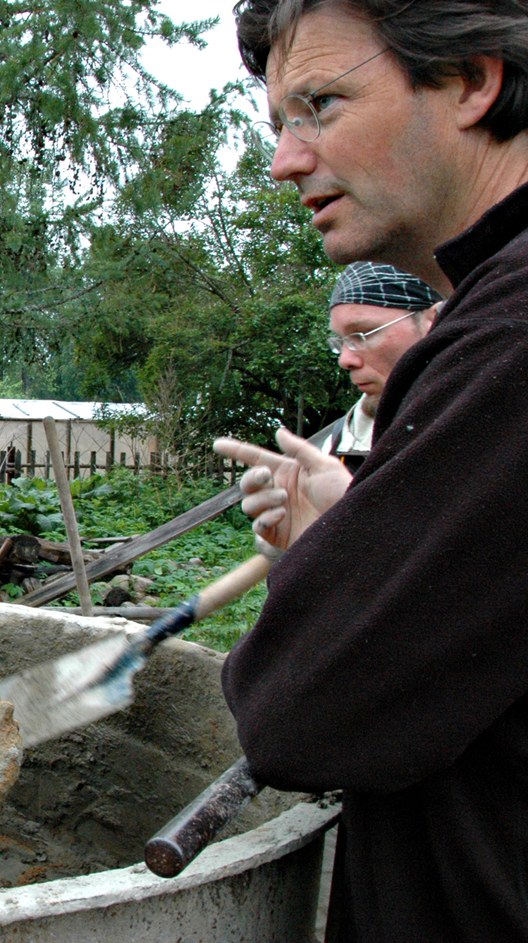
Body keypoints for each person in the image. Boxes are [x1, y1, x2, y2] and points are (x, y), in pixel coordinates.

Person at [211, 1, 528, 938]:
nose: (284, 160)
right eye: (278, 123)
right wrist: (355, 526)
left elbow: (297, 710)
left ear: (474, 80)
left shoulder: (509, 339)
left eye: (321, 106)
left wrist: (335, 553)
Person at [318, 262, 440, 472]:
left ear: (435, 322)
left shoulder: (503, 421)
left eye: (363, 333)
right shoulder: (337, 452)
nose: (345, 360)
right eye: (341, 341)